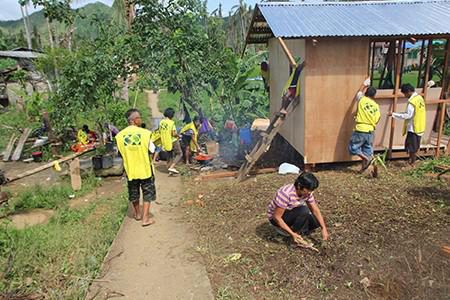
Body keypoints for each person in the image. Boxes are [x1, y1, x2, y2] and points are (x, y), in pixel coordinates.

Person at [116, 109, 156, 227]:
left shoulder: (119, 136)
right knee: (147, 193)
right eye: (139, 117)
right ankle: (145, 219)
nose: (141, 119)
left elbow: (120, 153)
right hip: (145, 169)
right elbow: (152, 150)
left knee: (134, 193)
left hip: (130, 170)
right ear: (134, 120)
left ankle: (138, 214)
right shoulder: (145, 133)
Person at [267, 172, 329, 244]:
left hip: (292, 213)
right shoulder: (285, 193)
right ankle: (292, 233)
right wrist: (293, 234)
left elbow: (315, 210)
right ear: (299, 186)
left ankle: (297, 230)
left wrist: (323, 228)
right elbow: (276, 217)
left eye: (311, 190)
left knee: (317, 220)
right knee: (304, 210)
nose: (310, 192)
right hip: (278, 219)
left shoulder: (307, 193)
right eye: (308, 190)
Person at [348, 78, 381, 172]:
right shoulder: (376, 106)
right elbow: (378, 118)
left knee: (353, 148)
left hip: (360, 129)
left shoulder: (362, 100)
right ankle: (364, 168)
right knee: (367, 149)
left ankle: (366, 159)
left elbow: (358, 92)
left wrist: (364, 84)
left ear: (366, 93)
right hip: (370, 130)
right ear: (374, 95)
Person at [389, 83, 426, 165]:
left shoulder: (412, 102)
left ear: (409, 91)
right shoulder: (419, 98)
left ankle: (412, 162)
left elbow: (408, 115)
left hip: (414, 127)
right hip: (420, 125)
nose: (405, 96)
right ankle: (411, 160)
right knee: (414, 145)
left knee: (412, 147)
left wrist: (394, 114)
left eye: (405, 94)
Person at [159, 107, 182, 174]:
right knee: (179, 153)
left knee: (169, 155)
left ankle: (169, 170)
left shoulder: (161, 122)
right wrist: (178, 136)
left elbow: (160, 131)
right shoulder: (171, 123)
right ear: (171, 115)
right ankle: (172, 167)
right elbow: (174, 133)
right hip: (172, 140)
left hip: (165, 141)